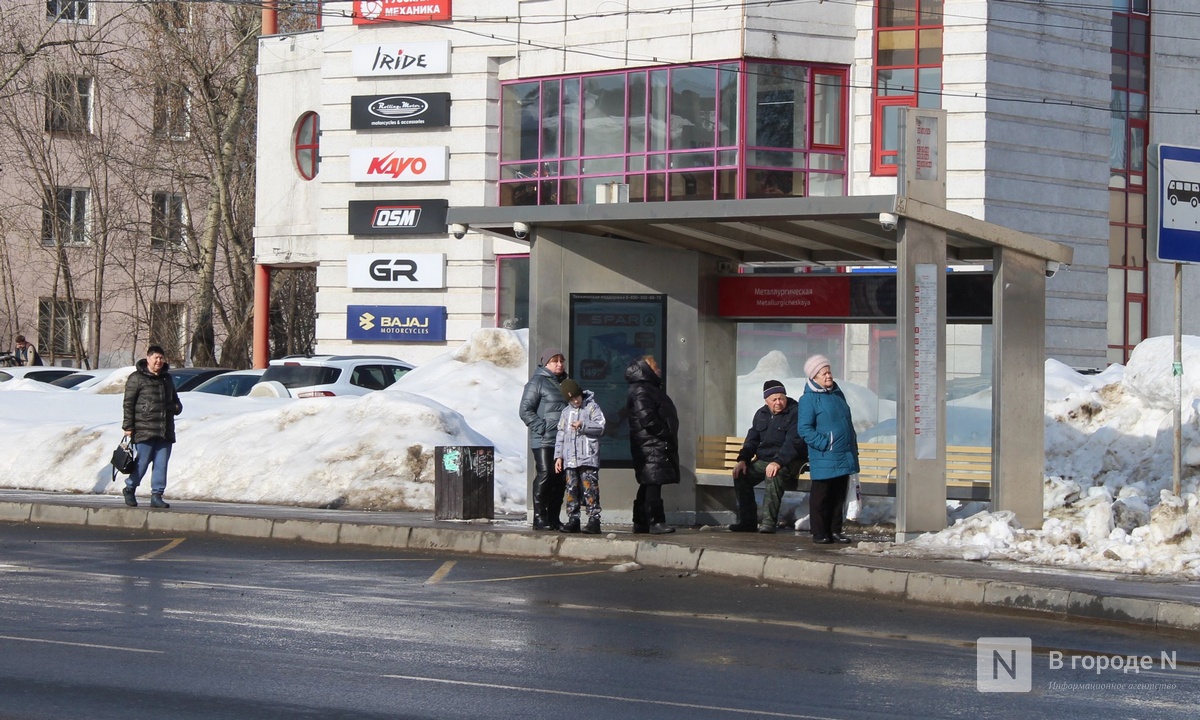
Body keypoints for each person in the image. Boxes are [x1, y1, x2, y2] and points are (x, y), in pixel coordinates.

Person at [796, 355, 859, 544]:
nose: (828, 376)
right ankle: (819, 532)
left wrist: (852, 447)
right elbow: (804, 429)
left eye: (829, 371)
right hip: (825, 454)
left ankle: (835, 530)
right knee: (821, 495)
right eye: (824, 373)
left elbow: (846, 423)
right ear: (814, 376)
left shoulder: (837, 394)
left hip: (843, 453)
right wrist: (825, 444)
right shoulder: (808, 399)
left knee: (838, 495)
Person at [730, 379, 808, 534]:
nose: (778, 402)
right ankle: (747, 522)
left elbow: (794, 442)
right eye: (774, 399)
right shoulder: (761, 414)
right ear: (766, 401)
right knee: (741, 475)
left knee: (774, 475)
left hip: (789, 461)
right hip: (765, 459)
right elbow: (752, 439)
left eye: (781, 398)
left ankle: (768, 523)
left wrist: (778, 462)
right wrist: (743, 460)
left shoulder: (796, 412)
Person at [121, 345, 183, 509]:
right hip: (144, 428)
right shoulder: (137, 378)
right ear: (148, 358)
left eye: (161, 358)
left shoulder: (167, 379)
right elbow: (128, 403)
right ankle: (130, 488)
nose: (159, 361)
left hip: (164, 429)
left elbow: (176, 401)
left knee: (161, 464)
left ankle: (157, 495)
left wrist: (175, 408)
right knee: (142, 462)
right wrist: (128, 426)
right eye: (156, 357)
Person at [625, 355, 679, 534]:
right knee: (654, 481)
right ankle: (656, 521)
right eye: (656, 368)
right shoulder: (642, 389)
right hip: (651, 443)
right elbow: (647, 417)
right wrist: (664, 432)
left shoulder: (646, 388)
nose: (659, 371)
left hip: (650, 442)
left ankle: (640, 521)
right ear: (647, 369)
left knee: (649, 482)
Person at [519, 347, 569, 530]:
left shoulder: (567, 383)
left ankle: (554, 518)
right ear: (546, 363)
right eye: (555, 361)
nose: (559, 364)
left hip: (564, 441)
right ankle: (540, 517)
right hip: (544, 440)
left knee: (560, 479)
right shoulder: (536, 382)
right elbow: (525, 410)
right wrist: (542, 428)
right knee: (546, 473)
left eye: (561, 361)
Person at [553, 378, 606, 534]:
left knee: (590, 487)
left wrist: (583, 425)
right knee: (571, 488)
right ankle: (573, 518)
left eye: (576, 396)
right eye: (571, 399)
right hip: (570, 459)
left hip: (587, 456)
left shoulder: (591, 407)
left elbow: (601, 426)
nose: (575, 401)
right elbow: (560, 435)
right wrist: (559, 456)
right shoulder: (565, 413)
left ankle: (594, 519)